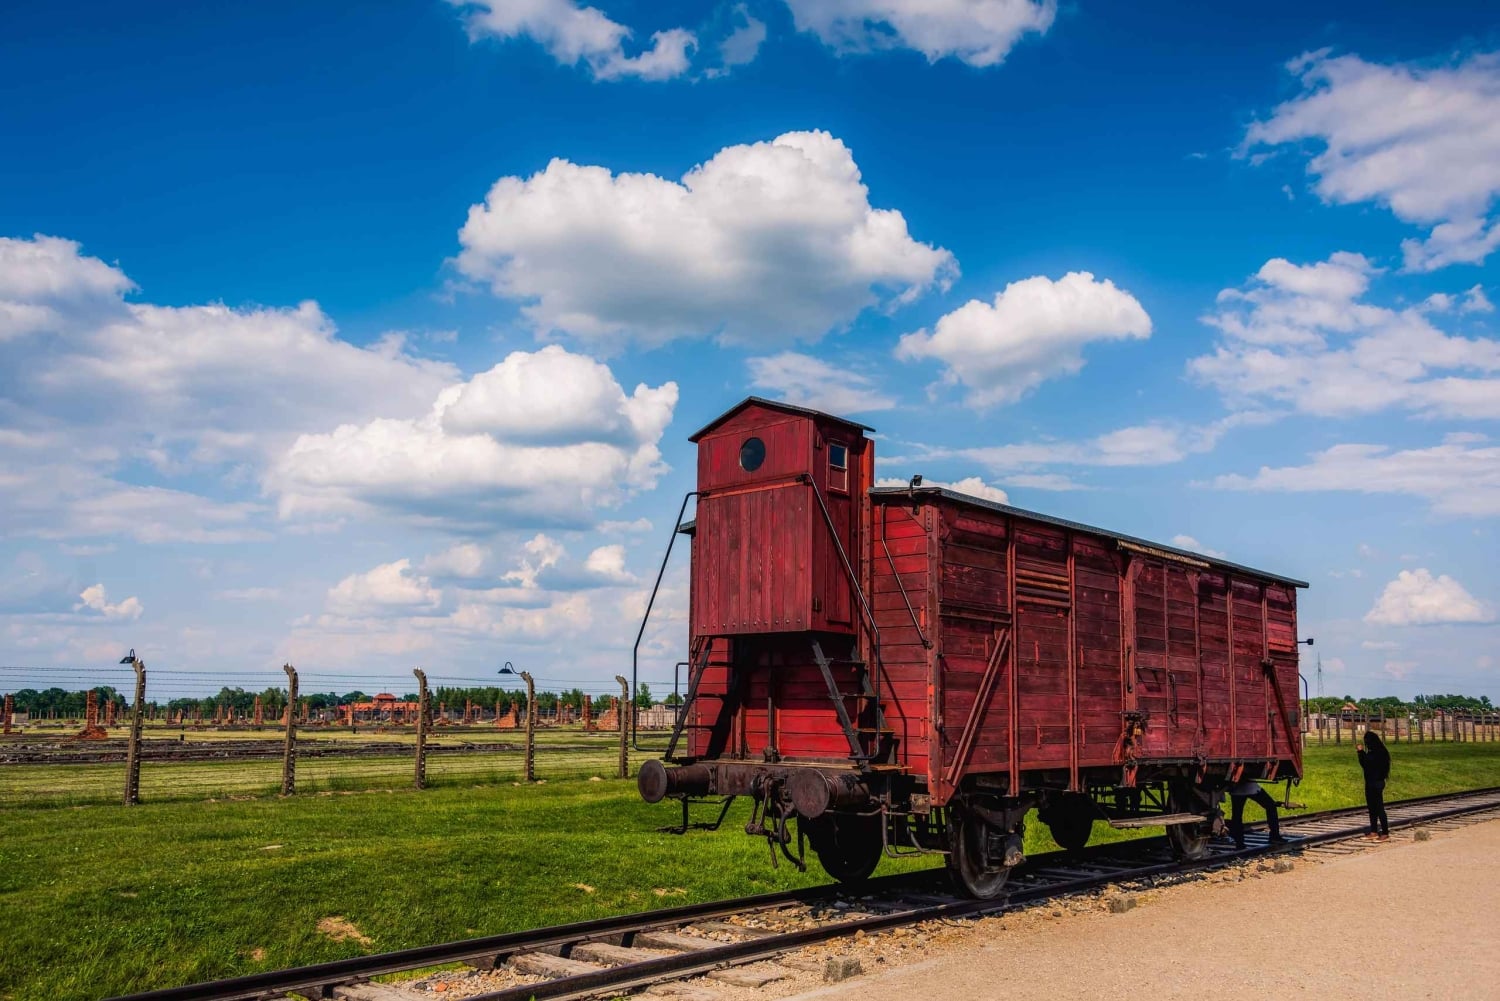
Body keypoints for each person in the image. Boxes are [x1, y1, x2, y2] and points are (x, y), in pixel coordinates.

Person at [1227, 776, 1287, 849]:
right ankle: (1274, 836)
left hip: (1236, 789)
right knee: (1271, 806)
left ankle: (1239, 843)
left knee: (1237, 815)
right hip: (1250, 787)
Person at [1358, 730, 1391, 841]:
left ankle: (1385, 832)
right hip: (1373, 782)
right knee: (1372, 807)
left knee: (1378, 807)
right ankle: (1374, 831)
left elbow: (1366, 764)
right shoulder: (1381, 752)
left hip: (1375, 782)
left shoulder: (1377, 754)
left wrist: (1361, 753)